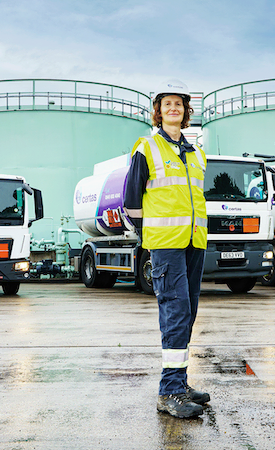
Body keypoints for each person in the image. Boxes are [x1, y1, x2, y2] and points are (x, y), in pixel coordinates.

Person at [123, 79, 210, 418]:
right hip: (166, 246)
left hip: (194, 243)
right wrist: (150, 235)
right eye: (167, 104)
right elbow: (132, 200)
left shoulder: (196, 152)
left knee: (187, 315)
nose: (174, 108)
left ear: (186, 112)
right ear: (158, 112)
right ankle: (169, 391)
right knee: (175, 314)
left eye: (180, 104)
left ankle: (180, 382)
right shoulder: (147, 147)